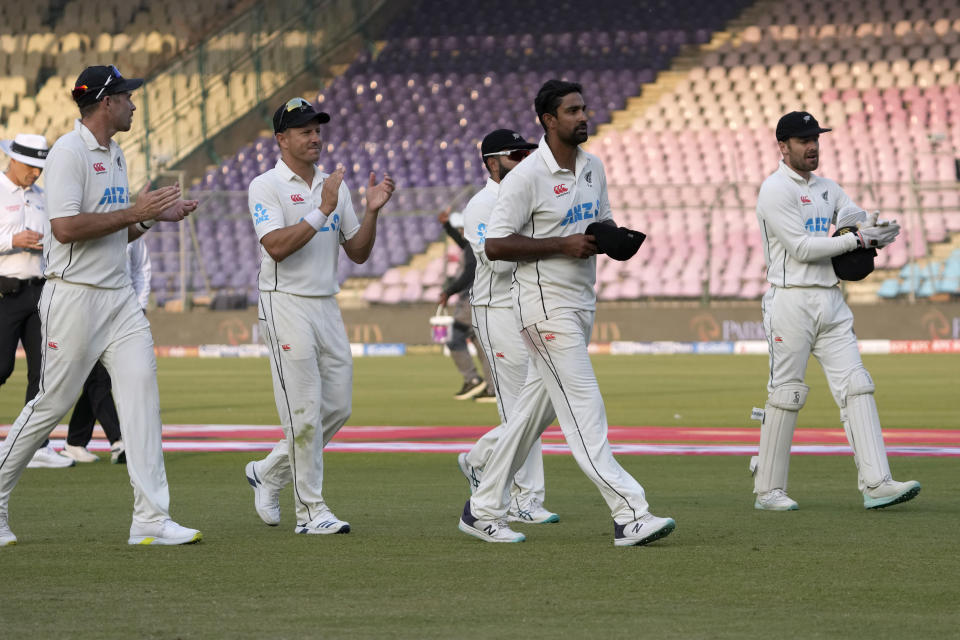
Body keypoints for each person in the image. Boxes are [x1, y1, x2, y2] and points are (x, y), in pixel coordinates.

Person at [458, 79, 676, 546]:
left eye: (585, 108)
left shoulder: (593, 167)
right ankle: (630, 512)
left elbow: (602, 219)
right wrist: (563, 244)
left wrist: (612, 238)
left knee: (530, 418)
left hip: (579, 303)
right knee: (585, 411)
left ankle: (483, 507)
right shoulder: (525, 177)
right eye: (573, 110)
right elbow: (495, 244)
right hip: (542, 309)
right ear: (548, 120)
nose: (583, 116)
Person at [0, 64, 201, 547]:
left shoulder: (115, 154)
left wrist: (152, 220)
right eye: (127, 97)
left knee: (142, 401)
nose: (134, 104)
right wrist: (137, 210)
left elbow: (116, 230)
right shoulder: (69, 152)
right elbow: (65, 229)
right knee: (49, 404)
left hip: (118, 300)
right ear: (107, 103)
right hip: (74, 297)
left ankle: (151, 519)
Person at [751, 111, 920, 511]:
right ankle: (768, 490)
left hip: (830, 299)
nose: (812, 146)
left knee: (857, 384)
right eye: (803, 140)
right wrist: (855, 240)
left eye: (816, 139)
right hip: (790, 299)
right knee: (787, 392)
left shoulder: (827, 187)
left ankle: (877, 483)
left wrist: (870, 228)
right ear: (783, 146)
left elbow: (852, 216)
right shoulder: (774, 189)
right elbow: (802, 248)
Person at [243, 97, 395, 535]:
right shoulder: (265, 186)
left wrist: (371, 211)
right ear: (282, 140)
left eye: (317, 130)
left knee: (338, 407)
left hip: (326, 303)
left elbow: (358, 252)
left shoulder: (335, 184)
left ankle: (269, 471)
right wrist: (322, 209)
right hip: (284, 301)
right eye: (305, 131)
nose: (315, 137)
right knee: (304, 411)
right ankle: (311, 511)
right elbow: (275, 246)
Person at [456, 128, 559, 524]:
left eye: (527, 154)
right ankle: (522, 498)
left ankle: (481, 460)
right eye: (515, 155)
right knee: (519, 406)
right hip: (495, 309)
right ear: (492, 163)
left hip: (526, 306)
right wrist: (542, 245)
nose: (523, 161)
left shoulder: (527, 195)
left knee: (541, 402)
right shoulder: (482, 205)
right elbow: (495, 262)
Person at [0, 133, 74, 470]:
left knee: (43, 373)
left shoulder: (43, 197)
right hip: (4, 291)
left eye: (40, 168)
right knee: (1, 368)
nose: (35, 173)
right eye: (31, 166)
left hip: (39, 291)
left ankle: (36, 445)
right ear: (13, 160)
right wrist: (12, 239)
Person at [62, 237, 150, 464]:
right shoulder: (91, 222)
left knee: (99, 379)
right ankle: (118, 440)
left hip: (125, 311)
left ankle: (75, 442)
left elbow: (141, 269)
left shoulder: (134, 228)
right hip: (87, 309)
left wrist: (140, 305)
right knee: (98, 379)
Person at [436, 208, 492, 400]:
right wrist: (446, 226)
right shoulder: (474, 243)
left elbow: (470, 272)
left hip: (469, 300)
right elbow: (462, 244)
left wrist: (448, 291)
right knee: (480, 343)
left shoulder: (471, 246)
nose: (460, 232)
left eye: (461, 228)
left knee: (454, 337)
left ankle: (472, 380)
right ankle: (493, 388)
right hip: (479, 298)